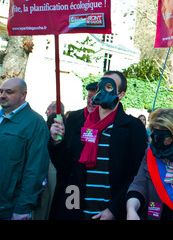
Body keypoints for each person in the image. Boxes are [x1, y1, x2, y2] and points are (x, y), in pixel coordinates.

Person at [48, 71, 148, 219]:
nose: (101, 91)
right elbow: (66, 167)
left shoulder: (133, 128)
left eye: (108, 86)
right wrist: (57, 143)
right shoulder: (80, 123)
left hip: (108, 212)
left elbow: (136, 175)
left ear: (120, 95)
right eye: (100, 86)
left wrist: (115, 209)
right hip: (76, 209)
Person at [126, 108, 173, 220]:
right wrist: (131, 209)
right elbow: (139, 184)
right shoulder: (152, 153)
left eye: (165, 137)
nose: (160, 143)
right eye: (156, 136)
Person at [0, 78, 50, 220]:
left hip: (10, 207)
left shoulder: (35, 123)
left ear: (23, 95)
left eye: (9, 92)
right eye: (1, 91)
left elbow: (35, 168)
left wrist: (23, 207)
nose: (3, 95)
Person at [47, 82, 97, 220]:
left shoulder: (109, 123)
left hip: (96, 189)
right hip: (72, 187)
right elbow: (63, 158)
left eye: (95, 97)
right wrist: (57, 142)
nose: (91, 101)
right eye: (88, 96)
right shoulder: (75, 117)